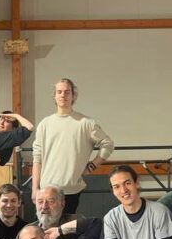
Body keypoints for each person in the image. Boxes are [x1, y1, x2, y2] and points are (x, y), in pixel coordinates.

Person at [31, 78, 114, 213]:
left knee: (65, 231)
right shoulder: (44, 124)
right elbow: (37, 158)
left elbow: (108, 144)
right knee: (45, 231)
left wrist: (93, 165)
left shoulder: (86, 123)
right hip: (46, 190)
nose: (63, 95)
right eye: (59, 92)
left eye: (67, 92)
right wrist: (35, 189)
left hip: (71, 190)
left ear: (73, 96)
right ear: (55, 96)